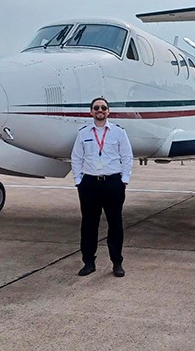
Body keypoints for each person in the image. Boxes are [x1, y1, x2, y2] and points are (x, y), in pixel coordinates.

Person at [70, 97, 133, 277]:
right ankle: (88, 262)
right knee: (89, 225)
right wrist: (78, 181)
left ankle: (117, 263)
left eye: (103, 108)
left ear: (108, 111)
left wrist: (124, 180)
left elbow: (127, 156)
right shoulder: (83, 133)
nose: (100, 110)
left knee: (115, 224)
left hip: (113, 183)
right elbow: (76, 158)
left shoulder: (118, 133)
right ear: (91, 112)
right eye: (96, 108)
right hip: (89, 184)